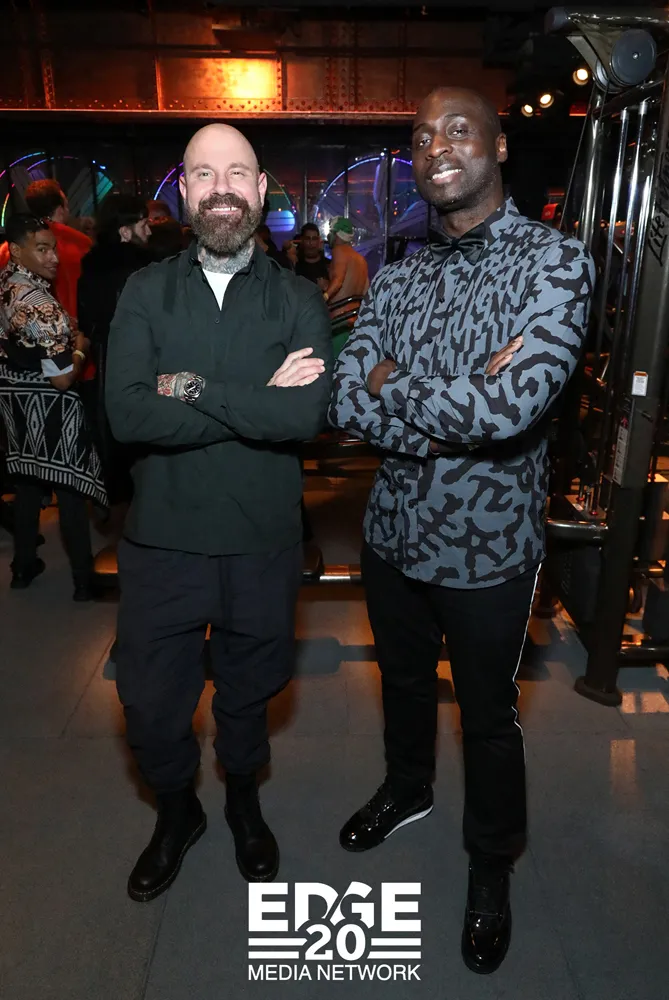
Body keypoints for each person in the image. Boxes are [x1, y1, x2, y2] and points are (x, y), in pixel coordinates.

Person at [329, 87, 595, 975]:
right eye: (419, 136)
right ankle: (406, 790)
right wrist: (445, 408)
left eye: (456, 129)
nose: (434, 147)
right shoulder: (398, 274)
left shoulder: (553, 264)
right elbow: (344, 400)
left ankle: (491, 862)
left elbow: (507, 408)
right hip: (391, 533)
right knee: (402, 684)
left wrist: (392, 383)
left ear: (498, 145)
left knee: (487, 718)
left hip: (488, 548)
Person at [105, 123, 333, 902]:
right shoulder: (146, 291)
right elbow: (127, 414)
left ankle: (240, 797)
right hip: (161, 541)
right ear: (184, 190)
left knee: (250, 690)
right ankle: (178, 809)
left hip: (261, 543)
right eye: (204, 174)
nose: (222, 189)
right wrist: (255, 401)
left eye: (238, 173)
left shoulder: (299, 297)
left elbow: (301, 418)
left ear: (262, 189)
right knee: (147, 703)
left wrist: (190, 387)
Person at [0, 215, 106, 598]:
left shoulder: (6, 285)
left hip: (14, 404)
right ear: (16, 250)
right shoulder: (42, 304)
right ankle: (83, 580)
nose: (54, 258)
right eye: (42, 249)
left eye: (53, 248)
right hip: (51, 408)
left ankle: (23, 567)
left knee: (28, 484)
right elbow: (62, 379)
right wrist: (80, 346)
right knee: (71, 488)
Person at [77, 194, 153, 506]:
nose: (149, 231)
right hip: (147, 369)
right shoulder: (146, 271)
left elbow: (87, 322)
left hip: (106, 368)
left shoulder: (90, 269)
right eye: (144, 224)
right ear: (124, 231)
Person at [0, 179, 92, 323]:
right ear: (60, 209)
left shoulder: (7, 248)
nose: (55, 258)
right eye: (42, 249)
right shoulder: (78, 242)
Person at [323, 216, 369, 356]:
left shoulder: (339, 250)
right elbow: (366, 290)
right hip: (354, 322)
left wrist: (324, 297)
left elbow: (338, 281)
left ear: (336, 234)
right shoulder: (360, 259)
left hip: (339, 322)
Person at [294, 223, 329, 290]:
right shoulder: (295, 266)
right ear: (302, 240)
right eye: (307, 238)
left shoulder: (328, 266)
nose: (311, 243)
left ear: (318, 241)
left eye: (314, 239)